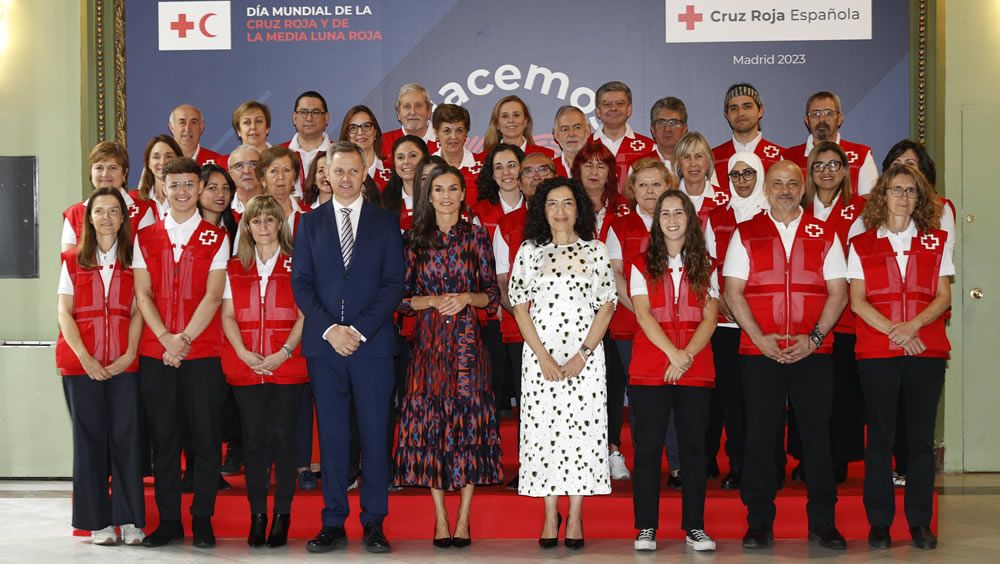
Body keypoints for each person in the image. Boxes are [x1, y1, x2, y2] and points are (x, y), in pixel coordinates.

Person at [723, 161, 849, 550]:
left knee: (817, 436)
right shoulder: (746, 233)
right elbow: (732, 291)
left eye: (793, 183)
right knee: (761, 437)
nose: (785, 189)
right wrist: (761, 340)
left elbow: (838, 292)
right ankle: (759, 522)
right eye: (777, 183)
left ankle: (823, 522)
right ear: (767, 187)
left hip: (814, 353)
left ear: (803, 187)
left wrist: (813, 339)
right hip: (760, 353)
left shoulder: (825, 233)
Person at [291, 142, 404, 554]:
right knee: (334, 439)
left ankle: (374, 522)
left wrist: (356, 329)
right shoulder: (310, 223)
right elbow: (301, 283)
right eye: (337, 171)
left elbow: (394, 284)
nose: (344, 178)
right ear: (326, 174)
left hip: (371, 347)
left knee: (375, 437)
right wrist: (329, 330)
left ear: (364, 174)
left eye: (353, 171)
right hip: (325, 349)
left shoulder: (385, 222)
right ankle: (333, 521)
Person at [394, 166, 503, 548]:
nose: (444, 195)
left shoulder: (476, 236)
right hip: (427, 345)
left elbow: (492, 293)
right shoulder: (413, 240)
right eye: (437, 189)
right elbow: (402, 299)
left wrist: (466, 298)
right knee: (431, 427)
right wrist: (432, 301)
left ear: (461, 194)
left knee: (470, 425)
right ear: (428, 195)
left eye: (451, 189)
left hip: (469, 345)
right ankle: (440, 517)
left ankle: (464, 516)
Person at [847, 164, 952, 550]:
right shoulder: (861, 245)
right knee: (880, 439)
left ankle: (920, 523)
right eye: (896, 189)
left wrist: (913, 326)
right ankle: (879, 523)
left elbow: (943, 296)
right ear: (883, 196)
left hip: (925, 350)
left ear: (919, 198)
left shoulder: (936, 241)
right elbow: (857, 302)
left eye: (911, 191)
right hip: (877, 353)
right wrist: (897, 330)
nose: (903, 197)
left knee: (920, 441)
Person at [509, 177, 617, 550]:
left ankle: (574, 514)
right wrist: (543, 356)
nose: (559, 211)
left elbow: (607, 305)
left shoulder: (596, 250)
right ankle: (549, 514)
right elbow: (519, 306)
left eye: (567, 203)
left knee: (582, 433)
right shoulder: (529, 251)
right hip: (541, 357)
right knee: (544, 432)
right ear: (542, 209)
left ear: (578, 208)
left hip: (585, 357)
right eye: (552, 203)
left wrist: (583, 354)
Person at [133, 157, 230, 548]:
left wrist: (183, 340)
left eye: (190, 185)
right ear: (163, 188)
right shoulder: (145, 237)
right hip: (157, 355)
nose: (182, 192)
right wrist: (165, 339)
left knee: (206, 438)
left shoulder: (215, 237)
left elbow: (212, 296)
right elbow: (142, 294)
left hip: (202, 353)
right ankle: (170, 519)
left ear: (199, 188)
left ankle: (202, 519)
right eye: (175, 185)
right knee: (165, 440)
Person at [629, 191, 719, 553]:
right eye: (664, 213)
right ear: (656, 220)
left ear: (690, 218)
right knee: (648, 449)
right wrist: (672, 353)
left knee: (695, 450)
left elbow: (710, 316)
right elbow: (643, 314)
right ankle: (646, 527)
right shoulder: (640, 263)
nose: (671, 219)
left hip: (696, 368)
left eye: (678, 212)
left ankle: (694, 527)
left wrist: (687, 355)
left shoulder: (707, 265)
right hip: (651, 368)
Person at [56, 187, 145, 546]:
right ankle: (97, 523)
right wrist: (85, 357)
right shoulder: (73, 261)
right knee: (89, 441)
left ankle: (130, 519)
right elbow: (64, 312)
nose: (106, 217)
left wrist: (130, 351)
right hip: (81, 365)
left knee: (127, 438)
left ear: (123, 218)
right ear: (88, 218)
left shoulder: (134, 258)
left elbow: (140, 309)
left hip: (125, 363)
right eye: (99, 211)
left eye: (113, 211)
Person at [221, 195, 308, 548]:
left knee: (284, 438)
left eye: (270, 220)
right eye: (256, 221)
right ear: (247, 226)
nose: (263, 227)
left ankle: (282, 514)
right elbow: (227, 314)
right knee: (255, 440)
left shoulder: (298, 263)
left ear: (280, 224)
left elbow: (305, 315)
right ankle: (258, 514)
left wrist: (283, 352)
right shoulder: (233, 267)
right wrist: (242, 352)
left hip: (287, 362)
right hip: (246, 365)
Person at [875, 139, 955, 489]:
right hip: (882, 333)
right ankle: (882, 510)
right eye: (898, 166)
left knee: (919, 424)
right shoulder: (868, 226)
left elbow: (941, 285)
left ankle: (920, 513)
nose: (906, 175)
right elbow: (862, 291)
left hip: (925, 332)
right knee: (883, 421)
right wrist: (897, 330)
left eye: (913, 165)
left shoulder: (938, 224)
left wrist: (914, 326)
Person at [791, 142, 868, 483]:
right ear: (809, 172)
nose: (826, 172)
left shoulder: (862, 208)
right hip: (805, 313)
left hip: (847, 315)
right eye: (818, 165)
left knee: (841, 393)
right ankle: (806, 458)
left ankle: (836, 459)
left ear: (845, 170)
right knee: (804, 393)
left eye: (833, 165)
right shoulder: (797, 206)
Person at [605, 158, 678, 483]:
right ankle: (647, 466)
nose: (650, 191)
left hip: (677, 326)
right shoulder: (618, 226)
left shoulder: (680, 222)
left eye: (656, 184)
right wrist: (646, 313)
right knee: (642, 397)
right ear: (632, 190)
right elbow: (614, 275)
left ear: (668, 187)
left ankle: (678, 465)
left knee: (676, 395)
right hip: (630, 326)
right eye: (643, 185)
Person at [703, 152, 770, 491]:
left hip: (764, 322)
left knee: (761, 400)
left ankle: (764, 465)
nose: (742, 180)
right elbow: (706, 263)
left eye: (749, 173)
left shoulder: (772, 212)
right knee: (732, 401)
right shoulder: (717, 216)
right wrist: (723, 301)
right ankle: (739, 465)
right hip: (727, 326)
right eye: (735, 175)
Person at [493, 152, 556, 490]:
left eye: (541, 169)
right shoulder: (508, 224)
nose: (534, 177)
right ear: (518, 181)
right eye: (527, 172)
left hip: (570, 333)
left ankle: (567, 465)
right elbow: (501, 282)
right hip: (522, 332)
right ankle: (530, 467)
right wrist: (529, 319)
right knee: (529, 402)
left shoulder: (576, 219)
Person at [61, 141, 155, 252]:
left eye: (112, 167)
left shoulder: (143, 211)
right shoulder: (74, 214)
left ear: (124, 173)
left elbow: (149, 258)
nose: (105, 174)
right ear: (91, 173)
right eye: (99, 167)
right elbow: (69, 262)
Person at [786, 91, 878, 195]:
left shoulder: (861, 155)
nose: (821, 119)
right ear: (807, 120)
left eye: (828, 113)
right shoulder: (789, 157)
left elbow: (870, 201)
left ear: (840, 118)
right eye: (815, 114)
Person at [711, 84, 786, 192]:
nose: (740, 113)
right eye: (733, 108)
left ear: (760, 111)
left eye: (747, 106)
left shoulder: (781, 157)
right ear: (727, 115)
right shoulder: (713, 158)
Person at [590, 81, 654, 184]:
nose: (613, 108)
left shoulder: (650, 148)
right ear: (598, 111)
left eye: (620, 104)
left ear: (629, 109)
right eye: (607, 104)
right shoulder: (584, 146)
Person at [674, 132, 730, 226]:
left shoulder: (727, 200)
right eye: (686, 157)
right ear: (679, 164)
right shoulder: (669, 200)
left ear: (708, 161)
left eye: (698, 156)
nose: (693, 163)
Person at [432, 104, 482, 205]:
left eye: (459, 130)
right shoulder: (427, 168)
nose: (453, 136)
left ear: (466, 133)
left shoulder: (482, 166)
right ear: (436, 132)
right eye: (447, 131)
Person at [285, 91, 332, 197]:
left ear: (326, 118)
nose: (309, 118)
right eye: (303, 112)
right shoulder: (278, 153)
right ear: (294, 117)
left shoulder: (339, 154)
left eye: (316, 112)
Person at [255, 146, 310, 236]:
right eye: (273, 171)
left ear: (294, 180)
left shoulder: (310, 216)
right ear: (263, 180)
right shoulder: (252, 216)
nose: (281, 176)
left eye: (286, 170)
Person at [628, 97, 690, 173]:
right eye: (661, 122)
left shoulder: (696, 164)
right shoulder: (639, 166)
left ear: (685, 129)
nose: (667, 129)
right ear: (653, 130)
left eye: (674, 122)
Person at [481, 95, 555, 158]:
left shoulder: (546, 156)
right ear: (497, 124)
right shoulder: (484, 159)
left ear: (525, 121)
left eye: (516, 115)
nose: (511, 120)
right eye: (505, 116)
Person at [134, 134, 184, 221]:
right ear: (148, 163)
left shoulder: (186, 199)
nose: (162, 162)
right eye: (156, 157)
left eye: (169, 156)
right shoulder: (135, 200)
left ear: (179, 160)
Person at [381, 135, 430, 224]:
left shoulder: (437, 197)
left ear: (425, 158)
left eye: (413, 155)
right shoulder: (384, 202)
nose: (406, 161)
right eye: (400, 157)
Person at [380, 83, 438, 157]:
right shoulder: (383, 142)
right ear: (398, 113)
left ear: (429, 110)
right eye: (407, 107)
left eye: (418, 106)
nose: (413, 112)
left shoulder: (445, 139)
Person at [339, 105, 390, 189]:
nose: (360, 132)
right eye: (353, 128)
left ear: (375, 132)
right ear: (347, 136)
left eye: (366, 126)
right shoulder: (339, 173)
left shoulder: (393, 172)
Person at [552, 105, 592, 177]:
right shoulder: (549, 170)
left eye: (577, 127)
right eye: (565, 129)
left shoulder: (602, 167)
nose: (571, 134)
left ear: (588, 130)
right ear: (556, 135)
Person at [228, 145, 263, 214]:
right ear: (230, 175)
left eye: (253, 164)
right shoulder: (222, 209)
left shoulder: (278, 205)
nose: (247, 171)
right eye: (239, 166)